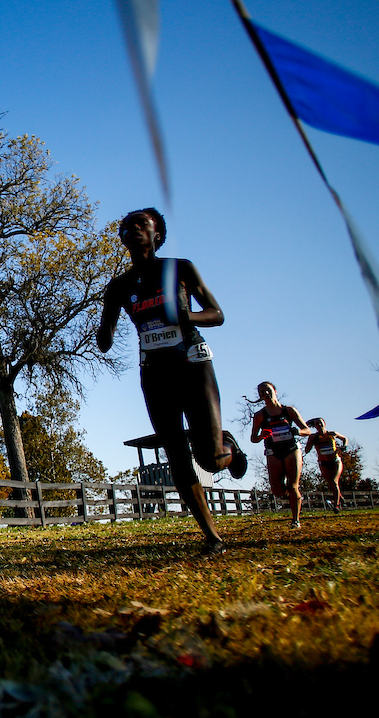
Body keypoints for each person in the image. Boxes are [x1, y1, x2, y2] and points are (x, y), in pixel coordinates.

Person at [97, 208, 247, 554]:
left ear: (157, 235)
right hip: (154, 372)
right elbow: (104, 340)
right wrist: (104, 328)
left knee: (208, 458)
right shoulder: (118, 286)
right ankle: (213, 538)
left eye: (141, 225)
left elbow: (217, 314)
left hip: (193, 363)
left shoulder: (180, 268)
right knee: (177, 456)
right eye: (126, 228)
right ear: (121, 240)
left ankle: (228, 447)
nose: (133, 230)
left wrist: (186, 315)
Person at [247, 382, 311, 527]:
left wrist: (297, 432)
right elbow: (253, 438)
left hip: (291, 449)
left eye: (268, 390)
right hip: (273, 451)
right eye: (262, 392)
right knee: (277, 489)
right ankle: (292, 496)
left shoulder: (289, 411)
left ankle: (296, 520)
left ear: (275, 390)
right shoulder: (260, 415)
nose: (266, 394)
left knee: (293, 485)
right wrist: (262, 435)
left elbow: (307, 430)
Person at [305, 418, 349, 511]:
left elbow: (344, 438)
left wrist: (344, 446)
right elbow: (307, 450)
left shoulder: (332, 434)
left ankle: (336, 505)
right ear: (315, 426)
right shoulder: (314, 437)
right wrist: (311, 442)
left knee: (334, 481)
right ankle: (341, 498)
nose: (319, 425)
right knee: (331, 484)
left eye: (320, 423)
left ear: (324, 423)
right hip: (324, 463)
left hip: (335, 461)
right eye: (317, 424)